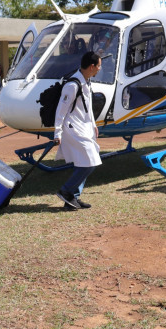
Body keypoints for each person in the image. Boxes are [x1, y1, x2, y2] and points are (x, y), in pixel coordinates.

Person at [54, 51, 103, 210]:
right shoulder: (72, 85)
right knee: (90, 161)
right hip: (73, 129)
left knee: (84, 161)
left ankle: (72, 199)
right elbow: (61, 110)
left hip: (84, 128)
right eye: (99, 66)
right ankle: (66, 190)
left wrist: (94, 124)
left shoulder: (86, 82)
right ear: (91, 66)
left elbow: (87, 107)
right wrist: (57, 132)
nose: (99, 69)